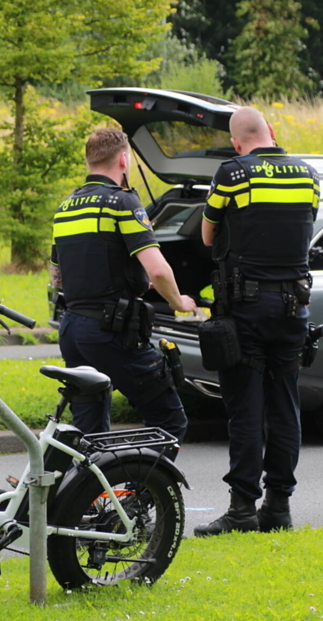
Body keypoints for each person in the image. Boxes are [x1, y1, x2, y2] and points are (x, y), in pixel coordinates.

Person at [194, 107, 319, 536]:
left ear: (236, 143)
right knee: (285, 406)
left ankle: (242, 509)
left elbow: (207, 236)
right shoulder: (308, 175)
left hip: (247, 307)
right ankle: (279, 507)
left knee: (246, 409)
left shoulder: (232, 173)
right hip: (294, 307)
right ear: (272, 131)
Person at [50, 128, 197, 447]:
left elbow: (57, 277)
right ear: (123, 159)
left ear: (89, 161)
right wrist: (179, 302)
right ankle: (139, 481)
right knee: (169, 420)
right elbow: (157, 269)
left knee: (89, 433)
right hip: (110, 330)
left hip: (72, 330)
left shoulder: (65, 208)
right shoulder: (122, 201)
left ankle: (93, 481)